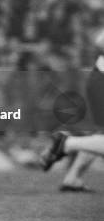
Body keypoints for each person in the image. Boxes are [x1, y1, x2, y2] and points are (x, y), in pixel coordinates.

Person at [40, 29, 104, 186]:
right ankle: (65, 143)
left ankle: (73, 178)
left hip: (99, 78)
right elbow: (101, 41)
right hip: (102, 79)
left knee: (101, 135)